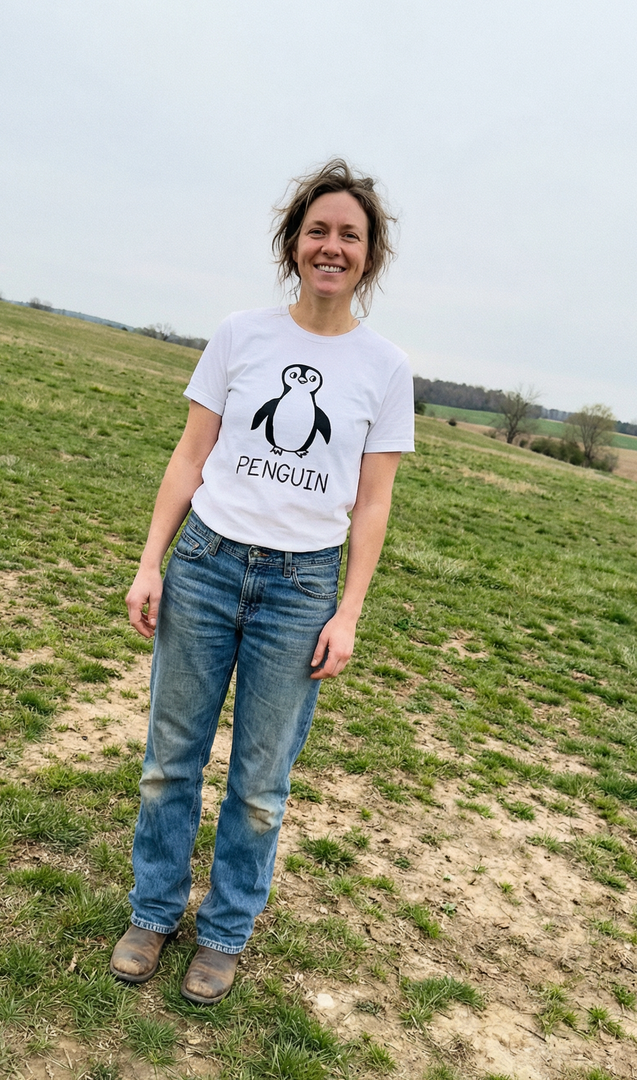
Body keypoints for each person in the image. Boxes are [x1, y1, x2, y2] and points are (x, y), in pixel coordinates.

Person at [111, 158, 415, 1004]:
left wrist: (348, 611)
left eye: (349, 235)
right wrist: (150, 562)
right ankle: (152, 912)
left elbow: (373, 503)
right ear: (294, 243)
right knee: (170, 762)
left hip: (302, 589)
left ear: (369, 255)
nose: (332, 246)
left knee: (258, 782)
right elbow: (190, 455)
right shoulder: (240, 336)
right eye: (318, 230)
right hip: (207, 565)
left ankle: (226, 933)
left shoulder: (386, 368)